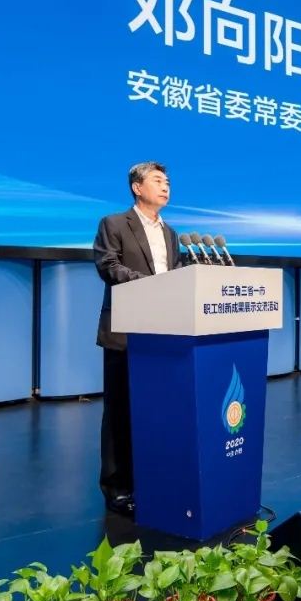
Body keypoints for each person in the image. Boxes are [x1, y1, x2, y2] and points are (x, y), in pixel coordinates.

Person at [93, 161, 181, 516]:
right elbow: (108, 266)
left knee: (155, 410)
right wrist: (152, 285)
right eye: (158, 180)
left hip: (164, 332)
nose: (165, 186)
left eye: (168, 181)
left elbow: (176, 274)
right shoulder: (114, 224)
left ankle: (151, 478)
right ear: (137, 187)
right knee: (119, 412)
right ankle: (117, 488)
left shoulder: (170, 233)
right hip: (126, 332)